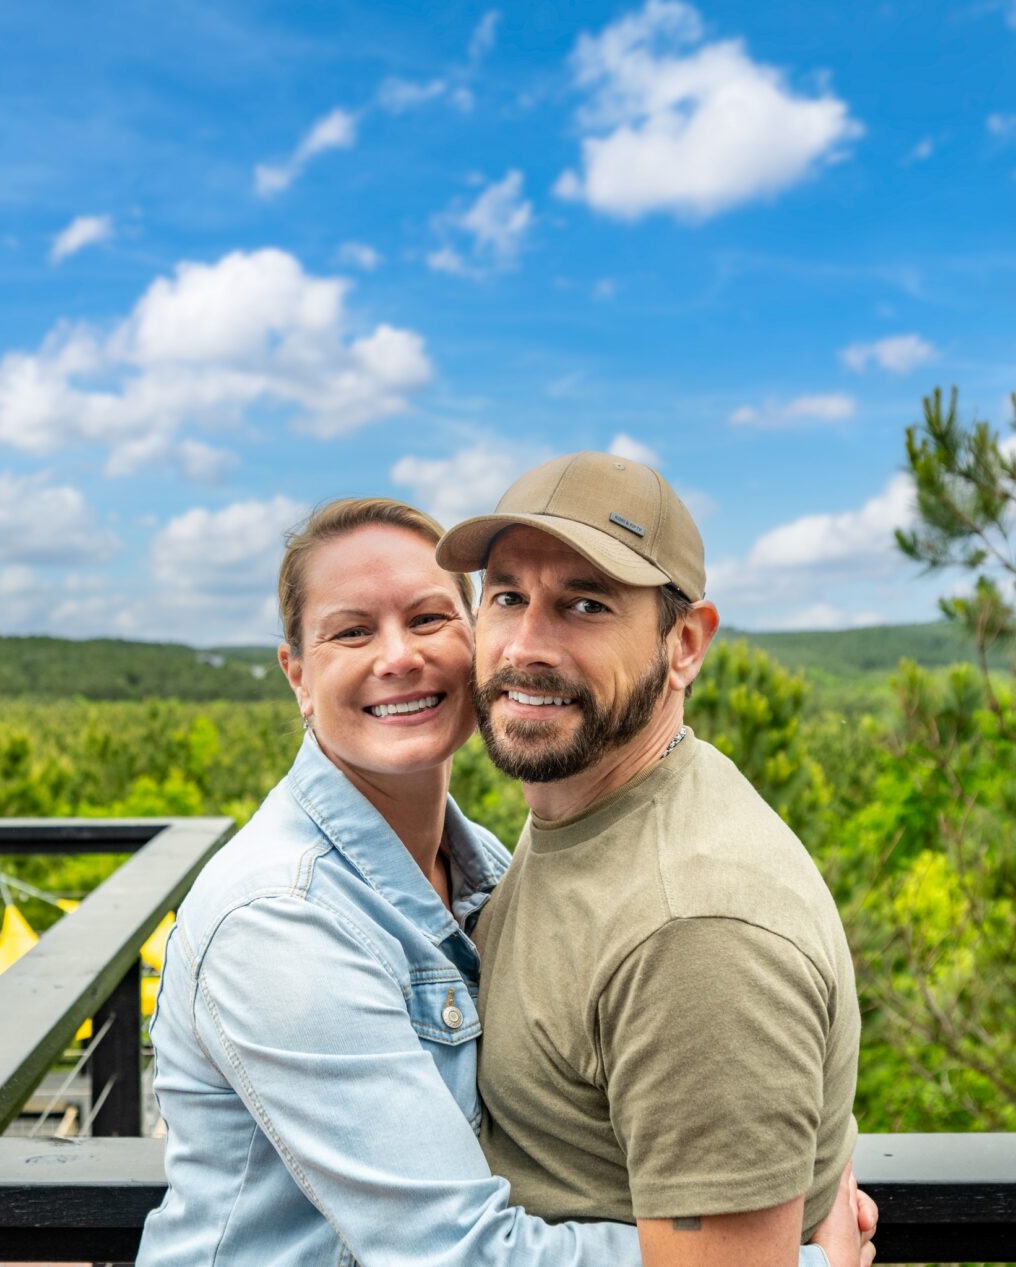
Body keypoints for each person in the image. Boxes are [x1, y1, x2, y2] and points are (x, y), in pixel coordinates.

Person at [137, 495, 872, 1267]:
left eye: (428, 619)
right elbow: (453, 1252)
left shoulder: (490, 863)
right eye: (352, 630)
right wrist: (806, 1261)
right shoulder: (280, 918)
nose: (398, 656)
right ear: (297, 675)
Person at [436, 451, 872, 1267]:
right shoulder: (587, 804)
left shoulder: (694, 930)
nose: (527, 644)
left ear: (685, 644)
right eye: (506, 596)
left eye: (585, 604)